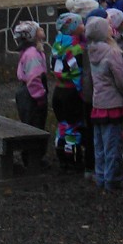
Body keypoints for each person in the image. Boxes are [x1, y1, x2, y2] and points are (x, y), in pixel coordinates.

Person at [84, 17, 123, 192]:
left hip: (98, 102)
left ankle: (101, 175)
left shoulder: (91, 51)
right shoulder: (112, 53)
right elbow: (120, 80)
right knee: (113, 143)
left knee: (100, 144)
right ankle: (112, 178)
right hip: (112, 103)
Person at [49, 12, 87, 172]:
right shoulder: (76, 48)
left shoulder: (57, 44)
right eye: (80, 23)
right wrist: (82, 92)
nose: (83, 26)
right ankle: (74, 160)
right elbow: (77, 72)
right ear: (72, 28)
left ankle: (61, 157)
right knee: (74, 127)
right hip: (71, 92)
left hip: (58, 90)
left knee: (62, 125)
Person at [13, 20, 48, 132]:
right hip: (32, 96)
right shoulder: (32, 54)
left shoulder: (28, 51)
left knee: (29, 125)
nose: (42, 30)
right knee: (35, 127)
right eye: (39, 29)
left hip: (27, 93)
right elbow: (34, 78)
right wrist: (40, 97)